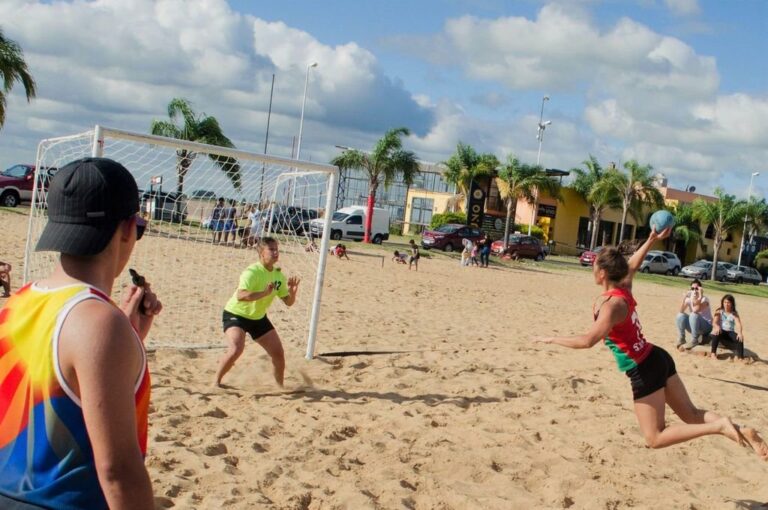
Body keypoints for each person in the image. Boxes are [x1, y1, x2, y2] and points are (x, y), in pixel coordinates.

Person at [0, 157, 163, 509]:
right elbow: (119, 473)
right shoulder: (100, 323)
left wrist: (129, 334)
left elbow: (59, 386)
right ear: (125, 230)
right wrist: (117, 333)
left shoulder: (17, 303)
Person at [533, 227, 768, 459]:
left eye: (595, 264)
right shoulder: (624, 287)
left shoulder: (611, 305)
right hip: (657, 357)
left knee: (654, 437)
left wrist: (552, 338)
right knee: (692, 414)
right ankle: (741, 431)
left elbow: (587, 341)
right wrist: (652, 239)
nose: (592, 267)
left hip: (643, 368)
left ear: (602, 272)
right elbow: (633, 264)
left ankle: (718, 427)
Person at [215, 237, 300, 388]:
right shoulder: (252, 272)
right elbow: (241, 296)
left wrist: (292, 293)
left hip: (258, 318)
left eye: (277, 249)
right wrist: (264, 293)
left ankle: (279, 387)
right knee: (236, 349)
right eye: (271, 249)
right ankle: (216, 382)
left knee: (278, 354)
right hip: (236, 314)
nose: (276, 253)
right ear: (261, 252)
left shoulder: (278, 276)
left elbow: (288, 302)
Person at [675, 278, 713, 350]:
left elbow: (695, 310)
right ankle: (682, 338)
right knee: (680, 315)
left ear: (700, 289)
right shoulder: (689, 299)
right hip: (695, 325)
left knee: (693, 314)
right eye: (692, 289)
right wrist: (684, 298)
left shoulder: (705, 299)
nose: (694, 291)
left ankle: (694, 340)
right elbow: (681, 310)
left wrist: (700, 296)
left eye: (696, 288)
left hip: (706, 327)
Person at [710, 294, 747, 362]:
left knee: (740, 338)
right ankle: (713, 354)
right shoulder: (719, 311)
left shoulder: (734, 313)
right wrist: (717, 326)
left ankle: (741, 358)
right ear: (722, 303)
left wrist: (740, 333)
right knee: (716, 333)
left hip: (730, 332)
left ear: (732, 304)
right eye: (725, 302)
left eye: (728, 302)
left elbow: (738, 324)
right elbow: (714, 322)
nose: (726, 304)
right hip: (721, 330)